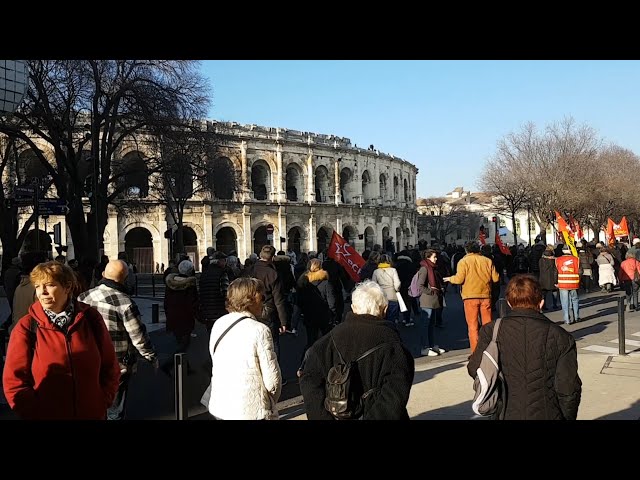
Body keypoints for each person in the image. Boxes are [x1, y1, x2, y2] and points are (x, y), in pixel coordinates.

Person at [3, 261, 120, 419]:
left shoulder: (91, 319)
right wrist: (33, 412)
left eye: (49, 285)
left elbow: (110, 366)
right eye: (37, 286)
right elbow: (14, 381)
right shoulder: (27, 327)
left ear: (68, 287)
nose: (42, 292)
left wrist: (102, 400)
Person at [467, 275, 582, 420]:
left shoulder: (492, 331)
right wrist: (567, 416)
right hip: (548, 412)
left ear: (509, 303)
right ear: (541, 303)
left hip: (505, 411)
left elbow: (475, 368)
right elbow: (568, 387)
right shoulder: (561, 336)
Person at [299, 280, 415, 420]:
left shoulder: (327, 342)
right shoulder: (395, 347)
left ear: (353, 308)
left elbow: (309, 380)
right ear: (384, 309)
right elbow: (394, 398)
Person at [77, 260, 159, 420]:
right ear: (125, 279)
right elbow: (138, 337)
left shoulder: (83, 297)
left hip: (88, 361)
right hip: (116, 364)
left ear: (103, 275)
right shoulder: (124, 303)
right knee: (114, 411)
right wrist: (151, 356)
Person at [204, 277, 282, 420]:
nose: (263, 300)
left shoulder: (219, 324)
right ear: (250, 299)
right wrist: (270, 402)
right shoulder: (260, 330)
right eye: (261, 296)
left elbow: (214, 357)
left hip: (222, 404)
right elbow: (272, 380)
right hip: (251, 408)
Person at [443, 241, 499, 353]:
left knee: (473, 326)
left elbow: (459, 279)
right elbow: (496, 278)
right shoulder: (487, 261)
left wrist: (450, 279)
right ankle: (490, 350)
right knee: (487, 324)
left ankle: (475, 351)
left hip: (470, 296)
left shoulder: (463, 262)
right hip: (485, 295)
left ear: (466, 250)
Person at [162, 259, 199, 373]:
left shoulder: (170, 283)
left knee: (180, 342)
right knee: (184, 343)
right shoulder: (190, 285)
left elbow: (166, 302)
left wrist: (168, 314)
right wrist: (198, 316)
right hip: (185, 317)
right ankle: (168, 364)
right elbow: (193, 303)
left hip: (173, 316)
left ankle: (186, 367)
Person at [416, 249, 446, 357]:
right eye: (434, 257)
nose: (436, 258)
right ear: (428, 257)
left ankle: (432, 345)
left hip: (433, 299)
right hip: (427, 300)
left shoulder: (432, 268)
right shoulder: (425, 268)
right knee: (425, 324)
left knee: (431, 325)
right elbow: (420, 285)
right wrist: (431, 291)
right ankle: (424, 347)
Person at [556, 245, 581, 324]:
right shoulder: (576, 259)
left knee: (564, 301)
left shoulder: (557, 260)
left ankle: (567, 319)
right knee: (575, 299)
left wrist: (556, 283)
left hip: (562, 283)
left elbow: (555, 272)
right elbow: (580, 271)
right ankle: (576, 317)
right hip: (574, 283)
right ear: (570, 250)